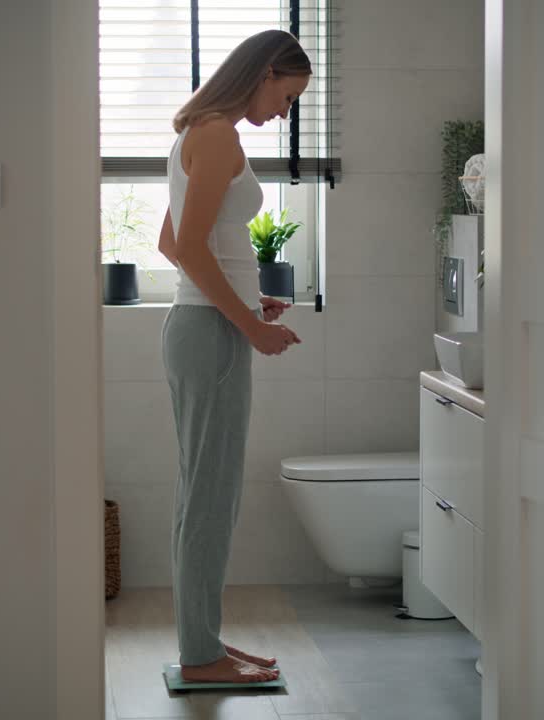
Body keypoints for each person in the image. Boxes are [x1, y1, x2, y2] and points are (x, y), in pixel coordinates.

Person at [157, 29, 310, 684]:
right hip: (210, 335)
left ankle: (204, 641)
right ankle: (202, 657)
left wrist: (249, 299)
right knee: (211, 497)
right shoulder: (218, 134)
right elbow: (189, 250)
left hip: (202, 327)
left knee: (205, 494)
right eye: (288, 94)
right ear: (265, 70)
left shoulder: (202, 129)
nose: (285, 111)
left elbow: (172, 243)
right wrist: (248, 323)